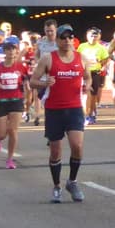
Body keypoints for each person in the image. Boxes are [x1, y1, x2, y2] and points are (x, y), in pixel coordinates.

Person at [30, 24, 90, 203]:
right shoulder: (48, 59)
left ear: (73, 40)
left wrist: (87, 83)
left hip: (74, 108)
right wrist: (45, 82)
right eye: (63, 37)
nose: (67, 41)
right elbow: (32, 81)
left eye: (70, 37)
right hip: (54, 110)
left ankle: (72, 181)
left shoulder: (82, 58)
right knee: (55, 151)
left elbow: (87, 75)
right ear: (57, 41)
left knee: (77, 146)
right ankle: (56, 186)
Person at [0, 38, 28, 169]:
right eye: (8, 50)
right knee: (2, 133)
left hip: (16, 101)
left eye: (13, 49)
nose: (11, 52)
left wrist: (27, 97)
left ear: (16, 51)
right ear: (4, 52)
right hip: (1, 102)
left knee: (13, 131)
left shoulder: (21, 67)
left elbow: (25, 82)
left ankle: (10, 159)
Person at [80, 28, 109, 123]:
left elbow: (106, 59)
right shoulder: (82, 46)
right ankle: (85, 114)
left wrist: (101, 63)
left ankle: (91, 113)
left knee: (93, 95)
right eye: (91, 36)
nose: (93, 38)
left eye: (95, 36)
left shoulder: (101, 48)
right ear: (87, 36)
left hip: (95, 73)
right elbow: (77, 57)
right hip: (84, 73)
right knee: (85, 94)